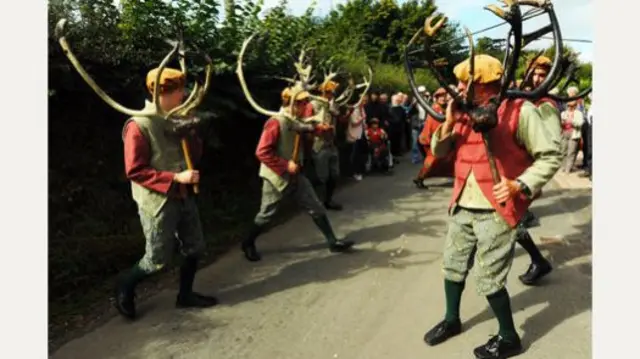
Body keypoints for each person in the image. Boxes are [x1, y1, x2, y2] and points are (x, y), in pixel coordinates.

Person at [424, 54, 562, 359]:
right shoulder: (462, 112)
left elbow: (551, 155)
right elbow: (440, 151)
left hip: (497, 209)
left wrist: (519, 184)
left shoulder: (519, 111)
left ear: (484, 83)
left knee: (488, 277)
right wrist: (447, 123)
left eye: (465, 81)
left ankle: (509, 336)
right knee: (452, 265)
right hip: (462, 203)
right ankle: (451, 319)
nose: (458, 86)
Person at [115, 67, 219, 320]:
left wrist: (192, 132)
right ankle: (124, 287)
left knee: (195, 247)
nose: (183, 95)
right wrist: (174, 177)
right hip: (158, 201)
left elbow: (193, 156)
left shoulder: (176, 117)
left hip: (184, 195)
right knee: (156, 259)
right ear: (160, 91)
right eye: (178, 91)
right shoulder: (138, 125)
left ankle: (185, 295)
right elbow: (135, 170)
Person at [240, 87, 355, 262]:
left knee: (315, 205)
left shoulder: (296, 120)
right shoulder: (275, 122)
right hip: (275, 178)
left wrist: (322, 130)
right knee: (266, 214)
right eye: (302, 103)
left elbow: (307, 128)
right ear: (293, 103)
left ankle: (333, 241)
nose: (306, 106)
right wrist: (285, 165)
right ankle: (248, 243)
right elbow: (262, 152)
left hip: (296, 177)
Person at [310, 80, 344, 210]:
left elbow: (337, 115)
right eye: (330, 92)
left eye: (333, 92)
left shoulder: (332, 104)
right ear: (324, 91)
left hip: (331, 143)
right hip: (319, 143)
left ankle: (328, 200)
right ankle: (316, 202)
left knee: (334, 174)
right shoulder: (314, 104)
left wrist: (331, 108)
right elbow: (310, 122)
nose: (332, 95)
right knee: (321, 176)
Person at [413, 87, 454, 189]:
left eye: (444, 96)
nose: (443, 99)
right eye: (441, 97)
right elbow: (433, 126)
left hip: (437, 139)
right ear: (436, 98)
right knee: (431, 160)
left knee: (443, 159)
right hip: (430, 139)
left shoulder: (444, 109)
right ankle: (420, 178)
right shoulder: (435, 110)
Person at [560, 100, 585, 173]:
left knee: (571, 152)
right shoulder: (563, 113)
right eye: (568, 105)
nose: (569, 107)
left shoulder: (579, 113)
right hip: (564, 133)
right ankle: (564, 166)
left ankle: (568, 168)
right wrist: (562, 122)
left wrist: (572, 121)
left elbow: (580, 123)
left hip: (574, 134)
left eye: (572, 106)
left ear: (575, 106)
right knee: (563, 151)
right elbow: (560, 123)